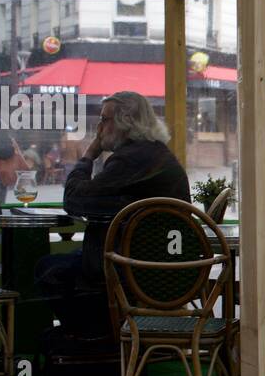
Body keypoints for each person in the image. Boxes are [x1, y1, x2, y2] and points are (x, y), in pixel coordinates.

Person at [34, 91, 189, 339]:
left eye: (105, 119)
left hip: (134, 272)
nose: (99, 128)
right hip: (165, 269)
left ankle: (95, 337)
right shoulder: (155, 153)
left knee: (48, 270)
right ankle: (91, 334)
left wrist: (87, 156)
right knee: (68, 262)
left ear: (125, 123)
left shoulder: (128, 160)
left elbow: (75, 200)